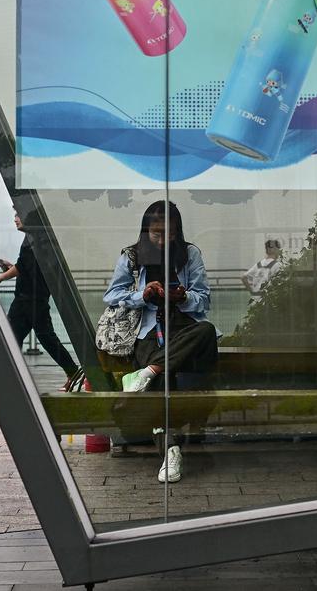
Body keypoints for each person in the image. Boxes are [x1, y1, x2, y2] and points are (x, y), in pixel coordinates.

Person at [103, 200, 218, 484]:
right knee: (165, 381)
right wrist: (142, 295)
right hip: (148, 329)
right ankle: (171, 449)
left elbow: (203, 299)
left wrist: (184, 297)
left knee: (206, 330)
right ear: (146, 231)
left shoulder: (190, 254)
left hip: (183, 329)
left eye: (169, 233)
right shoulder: (131, 256)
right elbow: (112, 295)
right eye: (156, 233)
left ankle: (147, 372)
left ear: (177, 231)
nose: (162, 239)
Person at [0, 210, 80, 391]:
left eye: (18, 214)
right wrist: (5, 273)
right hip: (28, 298)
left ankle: (74, 374)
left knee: (42, 338)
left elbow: (25, 268)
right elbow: (23, 267)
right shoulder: (34, 240)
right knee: (17, 339)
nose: (15, 218)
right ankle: (73, 374)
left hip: (31, 299)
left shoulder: (38, 241)